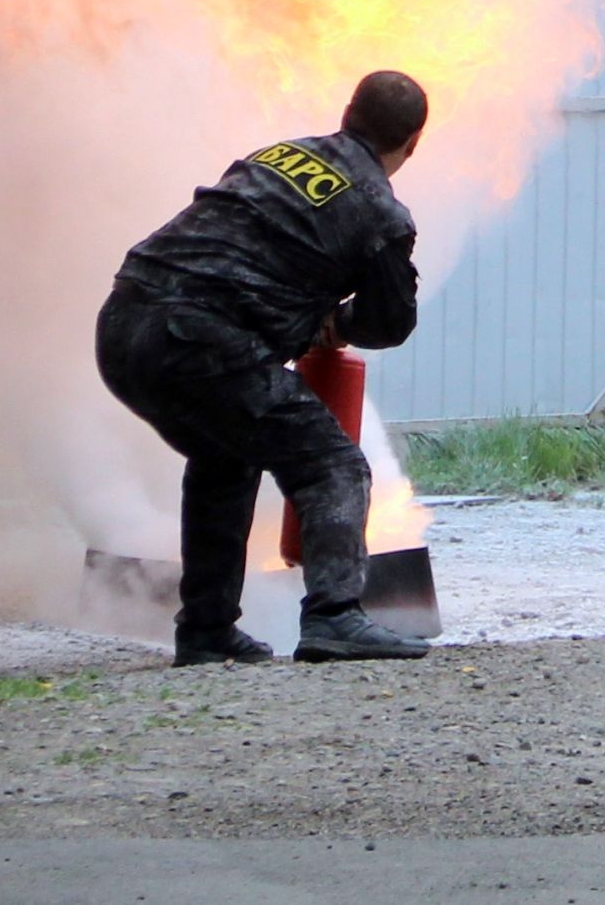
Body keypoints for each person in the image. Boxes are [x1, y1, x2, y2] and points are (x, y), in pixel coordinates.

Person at [96, 71, 431, 666]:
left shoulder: (278, 156)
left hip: (124, 323)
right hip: (200, 341)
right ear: (412, 144)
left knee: (226, 454)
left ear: (348, 111)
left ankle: (206, 630)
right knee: (332, 465)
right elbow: (390, 322)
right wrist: (337, 325)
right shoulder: (380, 209)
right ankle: (334, 618)